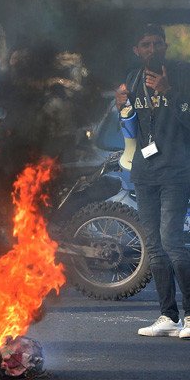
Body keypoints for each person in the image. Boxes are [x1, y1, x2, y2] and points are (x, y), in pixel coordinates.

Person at [115, 23, 190, 338]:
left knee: (172, 242)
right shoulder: (132, 79)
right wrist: (122, 108)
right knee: (155, 247)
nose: (151, 49)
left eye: (157, 44)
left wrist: (169, 94)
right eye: (145, 44)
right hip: (145, 172)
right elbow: (131, 129)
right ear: (137, 50)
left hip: (176, 169)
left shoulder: (182, 75)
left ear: (165, 47)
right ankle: (168, 316)